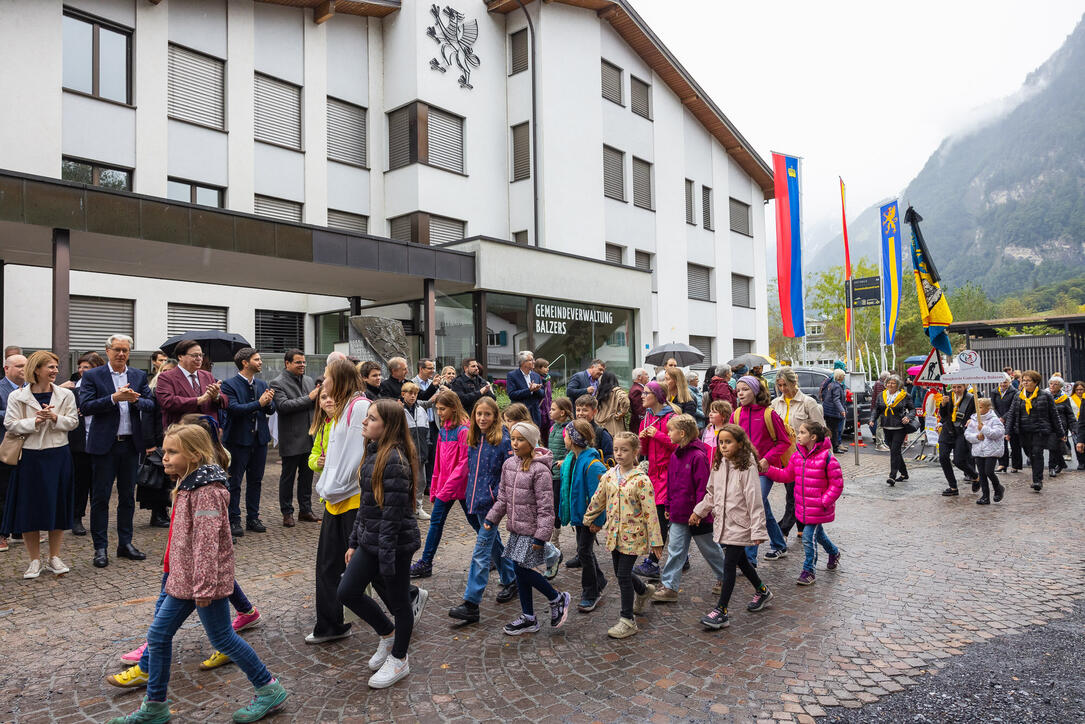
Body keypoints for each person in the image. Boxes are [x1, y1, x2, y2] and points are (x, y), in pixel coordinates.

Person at [106, 424, 288, 724]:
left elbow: (207, 544)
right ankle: (155, 707)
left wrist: (203, 588)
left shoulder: (206, 492)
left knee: (223, 639)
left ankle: (269, 689)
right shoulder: (188, 485)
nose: (164, 458)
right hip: (184, 582)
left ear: (195, 454)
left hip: (202, 584)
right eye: (164, 451)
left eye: (172, 452)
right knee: (160, 635)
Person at [339, 399, 421, 689]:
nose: (364, 422)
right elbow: (367, 504)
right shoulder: (373, 451)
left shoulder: (395, 461)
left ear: (387, 427)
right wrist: (354, 541)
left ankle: (400, 659)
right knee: (347, 591)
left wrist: (385, 561)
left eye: (371, 418)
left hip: (394, 545)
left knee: (399, 603)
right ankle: (387, 635)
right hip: (372, 540)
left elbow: (393, 517)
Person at [484, 422, 571, 636]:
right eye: (513, 438)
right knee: (519, 571)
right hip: (516, 528)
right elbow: (503, 497)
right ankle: (529, 617)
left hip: (532, 530)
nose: (515, 443)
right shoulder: (509, 465)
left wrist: (541, 536)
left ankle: (556, 598)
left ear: (531, 442)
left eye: (520, 439)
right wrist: (492, 517)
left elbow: (546, 507)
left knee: (522, 569)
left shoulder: (540, 470)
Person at [80, 334, 155, 569]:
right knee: (100, 498)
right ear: (107, 351)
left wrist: (134, 401)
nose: (121, 354)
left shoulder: (138, 375)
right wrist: (113, 398)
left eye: (125, 350)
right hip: (104, 445)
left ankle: (125, 543)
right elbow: (85, 406)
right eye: (117, 350)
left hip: (130, 445)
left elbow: (151, 405)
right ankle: (100, 548)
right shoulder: (93, 375)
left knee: (127, 498)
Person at [307, 359, 369, 645]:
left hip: (353, 499)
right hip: (335, 498)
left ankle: (407, 599)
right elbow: (331, 454)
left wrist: (336, 484)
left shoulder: (358, 407)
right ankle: (330, 625)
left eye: (328, 376)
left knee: (368, 565)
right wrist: (327, 486)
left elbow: (356, 454)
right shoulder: (339, 412)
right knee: (328, 566)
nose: (324, 381)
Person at [1, 350, 78, 579]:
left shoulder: (65, 394)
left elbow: (73, 422)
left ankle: (54, 557)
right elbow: (10, 424)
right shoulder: (18, 396)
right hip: (30, 457)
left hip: (58, 455)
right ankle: (34, 561)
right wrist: (35, 421)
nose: (55, 371)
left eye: (56, 367)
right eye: (51, 367)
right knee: (29, 508)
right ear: (37, 370)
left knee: (57, 506)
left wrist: (55, 419)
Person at [693, 424, 774, 630]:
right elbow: (711, 493)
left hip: (740, 524)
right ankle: (762, 591)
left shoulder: (747, 466)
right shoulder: (719, 465)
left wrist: (757, 530)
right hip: (724, 522)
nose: (723, 446)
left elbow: (755, 500)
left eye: (728, 442)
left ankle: (722, 610)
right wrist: (699, 511)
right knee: (741, 562)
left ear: (740, 443)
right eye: (721, 442)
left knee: (728, 566)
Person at [582, 431, 661, 638]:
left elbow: (650, 512)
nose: (618, 453)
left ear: (635, 452)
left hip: (633, 535)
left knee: (623, 575)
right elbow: (599, 498)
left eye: (624, 450)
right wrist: (589, 518)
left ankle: (627, 620)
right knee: (619, 572)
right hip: (614, 534)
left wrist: (656, 541)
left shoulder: (641, 480)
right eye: (616, 449)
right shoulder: (610, 475)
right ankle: (643, 591)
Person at [448, 397, 518, 623]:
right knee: (493, 543)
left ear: (495, 416)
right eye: (479, 414)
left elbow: (509, 474)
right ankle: (511, 579)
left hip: (492, 504)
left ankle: (471, 603)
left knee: (481, 552)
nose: (482, 418)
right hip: (475, 502)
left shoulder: (503, 441)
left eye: (487, 414)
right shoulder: (474, 438)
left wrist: (495, 496)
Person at [651, 414, 730, 605]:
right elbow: (671, 483)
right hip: (679, 513)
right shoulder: (676, 454)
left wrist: (699, 512)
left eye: (671, 430)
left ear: (682, 433)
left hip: (697, 516)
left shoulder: (698, 456)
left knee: (710, 549)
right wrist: (669, 505)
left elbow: (704, 488)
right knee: (676, 550)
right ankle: (670, 587)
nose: (667, 433)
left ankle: (725, 578)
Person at [764, 421, 842, 585]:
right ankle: (833, 552)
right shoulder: (797, 456)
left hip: (818, 508)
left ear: (813, 437)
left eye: (802, 432)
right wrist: (768, 470)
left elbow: (837, 485)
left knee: (807, 537)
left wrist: (823, 501)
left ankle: (809, 571)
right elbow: (786, 475)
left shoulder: (828, 458)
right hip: (803, 508)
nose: (797, 435)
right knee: (817, 535)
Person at [410, 390, 470, 578]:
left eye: (442, 409)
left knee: (479, 524)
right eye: (437, 409)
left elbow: (464, 463)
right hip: (446, 488)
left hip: (461, 488)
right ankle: (426, 562)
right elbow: (438, 463)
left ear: (454, 408)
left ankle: (499, 559)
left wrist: (445, 488)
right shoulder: (443, 430)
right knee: (436, 523)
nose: (439, 412)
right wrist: (435, 487)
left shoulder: (463, 431)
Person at [731, 375, 791, 564]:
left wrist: (767, 459)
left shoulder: (769, 414)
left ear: (756, 391)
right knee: (762, 508)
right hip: (743, 470)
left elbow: (784, 442)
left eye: (745, 389)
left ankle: (750, 558)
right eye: (738, 389)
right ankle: (780, 545)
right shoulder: (737, 414)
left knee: (753, 506)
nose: (740, 393)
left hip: (765, 470)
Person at [221, 348, 276, 537]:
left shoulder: (261, 383)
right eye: (257, 359)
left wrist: (268, 402)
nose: (260, 362)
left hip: (259, 440)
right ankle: (233, 519)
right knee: (234, 481)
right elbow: (234, 409)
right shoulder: (229, 385)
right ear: (245, 362)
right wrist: (260, 403)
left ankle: (253, 517)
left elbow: (270, 410)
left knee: (256, 481)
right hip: (238, 441)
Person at [559, 419, 609, 612]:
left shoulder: (592, 464)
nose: (564, 438)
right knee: (584, 551)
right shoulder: (573, 459)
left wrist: (597, 521)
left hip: (589, 519)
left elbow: (600, 497)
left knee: (584, 552)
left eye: (566, 435)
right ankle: (600, 580)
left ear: (573, 439)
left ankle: (591, 592)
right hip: (580, 516)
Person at [769, 368, 825, 537]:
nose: (783, 389)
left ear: (794, 382)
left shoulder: (808, 403)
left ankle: (783, 528)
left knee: (794, 493)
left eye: (785, 384)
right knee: (792, 490)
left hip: (803, 455)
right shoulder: (775, 404)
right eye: (779, 385)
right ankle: (802, 526)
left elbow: (821, 429)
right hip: (784, 455)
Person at [270, 349, 320, 528]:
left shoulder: (308, 380)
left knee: (307, 477)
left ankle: (305, 510)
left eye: (304, 362)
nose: (302, 365)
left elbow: (313, 403)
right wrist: (310, 397)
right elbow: (283, 406)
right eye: (298, 362)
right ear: (287, 363)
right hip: (291, 438)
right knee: (288, 477)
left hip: (309, 437)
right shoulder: (277, 383)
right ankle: (287, 512)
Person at [633, 381, 677, 579]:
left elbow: (678, 445)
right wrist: (642, 437)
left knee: (661, 518)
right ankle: (680, 557)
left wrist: (657, 435)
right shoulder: (647, 417)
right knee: (659, 518)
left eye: (646, 393)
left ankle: (653, 562)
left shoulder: (671, 417)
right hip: (653, 474)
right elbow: (642, 450)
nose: (642, 396)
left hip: (669, 474)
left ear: (658, 396)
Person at [1005, 370, 1063, 492]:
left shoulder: (1045, 395)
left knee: (1037, 453)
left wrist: (1060, 433)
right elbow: (1011, 414)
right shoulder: (1018, 395)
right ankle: (1036, 474)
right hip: (1023, 431)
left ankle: (1037, 480)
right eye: (1023, 380)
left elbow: (1054, 414)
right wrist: (1008, 431)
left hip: (1039, 431)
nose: (1025, 383)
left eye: (1028, 380)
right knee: (1030, 454)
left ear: (1036, 382)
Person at [69, 352, 105, 536]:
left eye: (87, 367)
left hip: (100, 440)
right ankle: (76, 517)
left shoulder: (104, 388)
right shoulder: (72, 390)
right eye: (80, 367)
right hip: (79, 443)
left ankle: (98, 520)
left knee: (99, 484)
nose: (82, 371)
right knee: (80, 483)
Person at [156, 340, 227, 428]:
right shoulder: (166, 377)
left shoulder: (207, 375)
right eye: (194, 355)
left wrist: (216, 396)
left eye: (201, 355)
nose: (199, 358)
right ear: (180, 356)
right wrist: (198, 400)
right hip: (182, 431)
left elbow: (225, 401)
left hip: (209, 431)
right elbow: (168, 402)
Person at [0, 352, 26, 552]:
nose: (23, 370)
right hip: (6, 448)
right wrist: (18, 413)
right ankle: (2, 534)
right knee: (4, 491)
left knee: (23, 491)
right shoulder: (2, 389)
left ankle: (20, 530)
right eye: (18, 366)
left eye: (25, 365)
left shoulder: (30, 389)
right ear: (6, 368)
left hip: (29, 448)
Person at [872, 374, 914, 487]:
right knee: (895, 452)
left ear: (898, 385)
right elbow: (877, 409)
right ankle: (904, 474)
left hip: (899, 427)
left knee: (894, 451)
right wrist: (872, 419)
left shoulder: (905, 395)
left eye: (893, 383)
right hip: (886, 426)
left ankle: (892, 476)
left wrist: (908, 417)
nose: (890, 385)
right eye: (889, 382)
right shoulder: (882, 395)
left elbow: (912, 410)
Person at [937, 383, 978, 497]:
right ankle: (953, 486)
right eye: (954, 387)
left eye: (959, 387)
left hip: (961, 432)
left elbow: (977, 414)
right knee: (943, 457)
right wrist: (943, 405)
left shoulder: (971, 398)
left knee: (959, 461)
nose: (956, 390)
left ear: (964, 387)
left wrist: (972, 420)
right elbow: (944, 416)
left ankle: (975, 476)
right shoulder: (947, 396)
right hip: (947, 431)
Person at [547, 397, 574, 560]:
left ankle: (555, 541)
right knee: (551, 505)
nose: (550, 411)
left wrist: (564, 461)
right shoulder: (553, 428)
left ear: (562, 412)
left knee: (557, 506)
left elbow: (571, 449)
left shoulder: (568, 428)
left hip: (560, 475)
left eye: (553, 409)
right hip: (551, 473)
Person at [964, 398, 1006, 505]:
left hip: (992, 450)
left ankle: (998, 488)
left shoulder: (994, 419)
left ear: (988, 408)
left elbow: (998, 433)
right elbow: (968, 435)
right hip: (979, 450)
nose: (978, 409)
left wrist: (984, 429)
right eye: (977, 407)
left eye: (981, 407)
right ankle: (985, 496)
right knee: (982, 474)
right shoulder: (973, 419)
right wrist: (977, 436)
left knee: (989, 471)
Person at [401, 381, 431, 520]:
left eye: (415, 394)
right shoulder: (400, 410)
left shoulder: (421, 410)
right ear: (403, 394)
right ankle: (405, 508)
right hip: (406, 453)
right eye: (410, 393)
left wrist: (426, 446)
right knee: (405, 481)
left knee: (421, 481)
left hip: (420, 452)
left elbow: (426, 431)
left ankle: (418, 507)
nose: (413, 396)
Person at [505, 350, 545, 427]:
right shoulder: (512, 375)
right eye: (531, 360)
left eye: (533, 359)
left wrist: (537, 390)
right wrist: (529, 390)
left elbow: (542, 394)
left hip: (534, 414)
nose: (534, 362)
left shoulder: (536, 376)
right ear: (523, 362)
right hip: (519, 414)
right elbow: (512, 394)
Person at [991, 374, 1018, 473]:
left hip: (1011, 420)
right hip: (999, 420)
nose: (1003, 384)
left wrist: (1004, 417)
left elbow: (1013, 407)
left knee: (1014, 443)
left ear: (1009, 382)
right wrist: (999, 418)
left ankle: (1015, 465)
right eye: (1001, 382)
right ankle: (1002, 464)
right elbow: (993, 406)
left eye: (1005, 382)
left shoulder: (1015, 392)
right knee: (1001, 443)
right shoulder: (994, 392)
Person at [573, 395, 614, 463]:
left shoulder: (601, 433)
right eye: (578, 410)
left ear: (594, 412)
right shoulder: (573, 430)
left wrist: (594, 464)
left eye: (585, 410)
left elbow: (610, 456)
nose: (580, 413)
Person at [1048, 377, 1073, 477]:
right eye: (1051, 384)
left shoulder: (1064, 398)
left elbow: (1069, 414)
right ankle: (1060, 464)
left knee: (1054, 447)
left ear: (1060, 387)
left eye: (1055, 384)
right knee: (1053, 447)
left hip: (1061, 426)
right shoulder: (1046, 396)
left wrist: (1073, 427)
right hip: (1049, 425)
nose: (1052, 386)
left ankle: (1052, 467)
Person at [595, 371, 629, 439]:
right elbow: (626, 401)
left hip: (598, 423)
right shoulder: (617, 391)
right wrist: (621, 413)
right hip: (613, 425)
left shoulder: (600, 392)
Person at [821, 369, 847, 454]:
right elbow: (836, 400)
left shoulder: (831, 384)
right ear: (840, 377)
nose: (844, 377)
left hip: (828, 411)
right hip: (833, 412)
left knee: (830, 430)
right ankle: (835, 448)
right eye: (843, 375)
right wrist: (842, 410)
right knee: (834, 431)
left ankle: (831, 447)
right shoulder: (837, 386)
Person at [534, 357, 554, 440]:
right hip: (540, 410)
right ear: (539, 368)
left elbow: (549, 396)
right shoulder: (535, 379)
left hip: (548, 410)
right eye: (545, 367)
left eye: (548, 366)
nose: (547, 369)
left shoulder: (547, 380)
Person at [869, 371, 890, 451]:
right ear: (885, 378)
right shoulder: (880, 384)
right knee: (880, 426)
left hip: (880, 408)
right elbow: (881, 397)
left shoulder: (880, 383)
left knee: (881, 426)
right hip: (879, 409)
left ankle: (882, 443)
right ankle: (879, 444)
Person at [628, 368, 649, 434]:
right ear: (639, 377)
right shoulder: (637, 390)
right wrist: (647, 423)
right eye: (646, 374)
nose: (648, 376)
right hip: (639, 426)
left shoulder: (639, 388)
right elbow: (640, 410)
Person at [1071, 380, 1085, 471]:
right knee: (1078, 443)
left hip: (1082, 422)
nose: (1079, 391)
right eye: (1077, 389)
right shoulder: (1070, 399)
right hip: (1075, 424)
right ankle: (1081, 462)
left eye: (1081, 389)